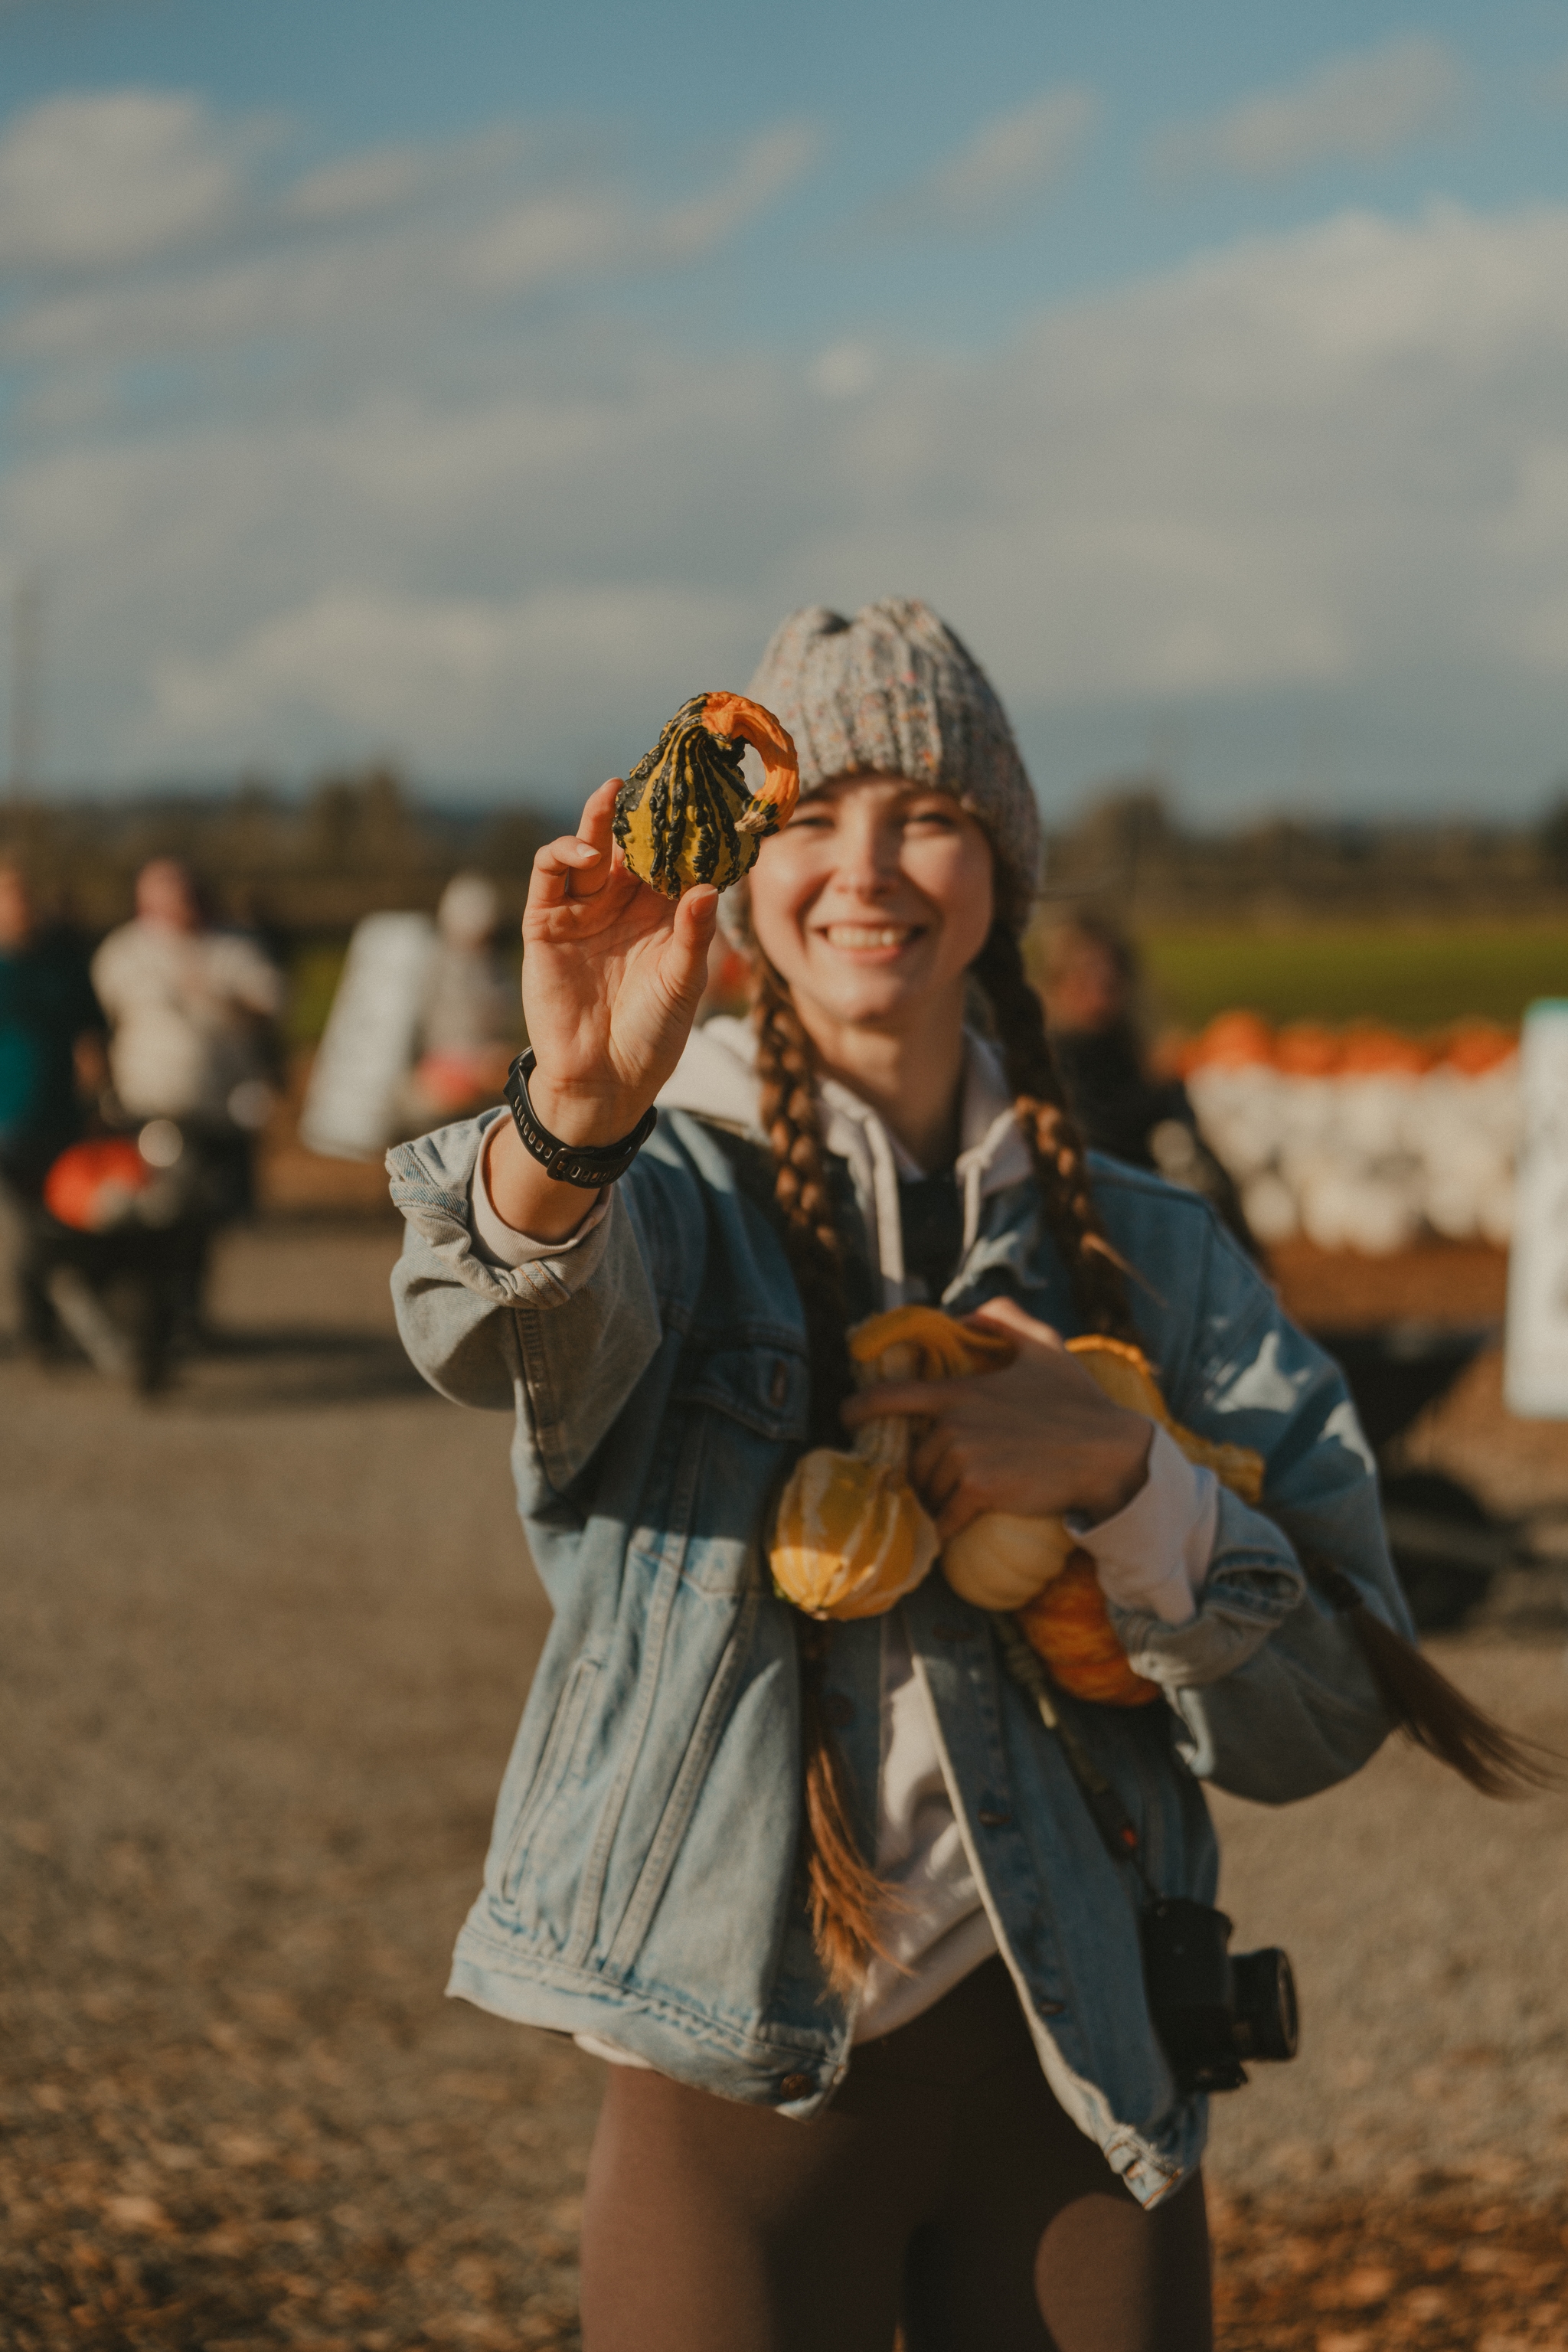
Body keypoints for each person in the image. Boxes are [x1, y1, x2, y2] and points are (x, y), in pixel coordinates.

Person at [384, 603, 1429, 2350]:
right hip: (729, 2073)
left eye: (924, 812)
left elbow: (1328, 1705)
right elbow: (484, 1328)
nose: (864, 866)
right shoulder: (665, 1192)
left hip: (1084, 2068)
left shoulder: (1155, 1263)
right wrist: (568, 1115)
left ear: (1001, 867)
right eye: (804, 815)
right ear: (739, 864)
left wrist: (1125, 1472)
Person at [90, 858, 283, 1322]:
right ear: (144, 900)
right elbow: (102, 1023)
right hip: (145, 1106)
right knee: (147, 1212)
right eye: (167, 894)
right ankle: (144, 1310)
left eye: (186, 893)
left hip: (215, 1108)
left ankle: (188, 1309)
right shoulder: (123, 953)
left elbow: (271, 1008)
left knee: (202, 1218)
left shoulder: (232, 949)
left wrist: (219, 998)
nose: (180, 904)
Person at [1040, 913, 1254, 1252]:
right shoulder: (1051, 1059)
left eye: (1111, 978)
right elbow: (1095, 1132)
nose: (1101, 989)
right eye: (1087, 976)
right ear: (1061, 980)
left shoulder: (1125, 1051)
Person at [0, 862, 106, 1349]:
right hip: (8, 1117)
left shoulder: (64, 961)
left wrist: (99, 1096)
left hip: (55, 1117)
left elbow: (91, 1035)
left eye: (25, 893)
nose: (19, 904)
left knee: (52, 1229)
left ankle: (43, 1328)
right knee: (22, 1231)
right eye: (8, 894)